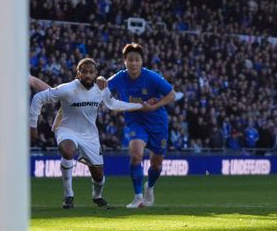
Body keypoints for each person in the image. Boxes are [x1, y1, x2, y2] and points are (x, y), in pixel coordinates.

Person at [29, 57, 146, 208]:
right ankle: (68, 195)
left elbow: (113, 104)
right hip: (67, 129)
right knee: (67, 151)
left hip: (90, 135)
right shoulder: (67, 88)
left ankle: (97, 196)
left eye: (91, 72)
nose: (88, 75)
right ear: (78, 73)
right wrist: (32, 126)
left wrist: (139, 106)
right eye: (84, 72)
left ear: (96, 73)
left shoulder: (101, 89)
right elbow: (39, 97)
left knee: (98, 176)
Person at [106, 43, 176, 209]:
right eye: (130, 60)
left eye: (137, 60)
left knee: (157, 165)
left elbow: (171, 94)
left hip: (157, 122)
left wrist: (154, 105)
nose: (134, 63)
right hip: (135, 122)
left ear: (142, 61)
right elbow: (102, 88)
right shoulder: (119, 77)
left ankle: (149, 187)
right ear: (125, 61)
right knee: (136, 154)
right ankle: (137, 197)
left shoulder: (151, 77)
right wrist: (101, 80)